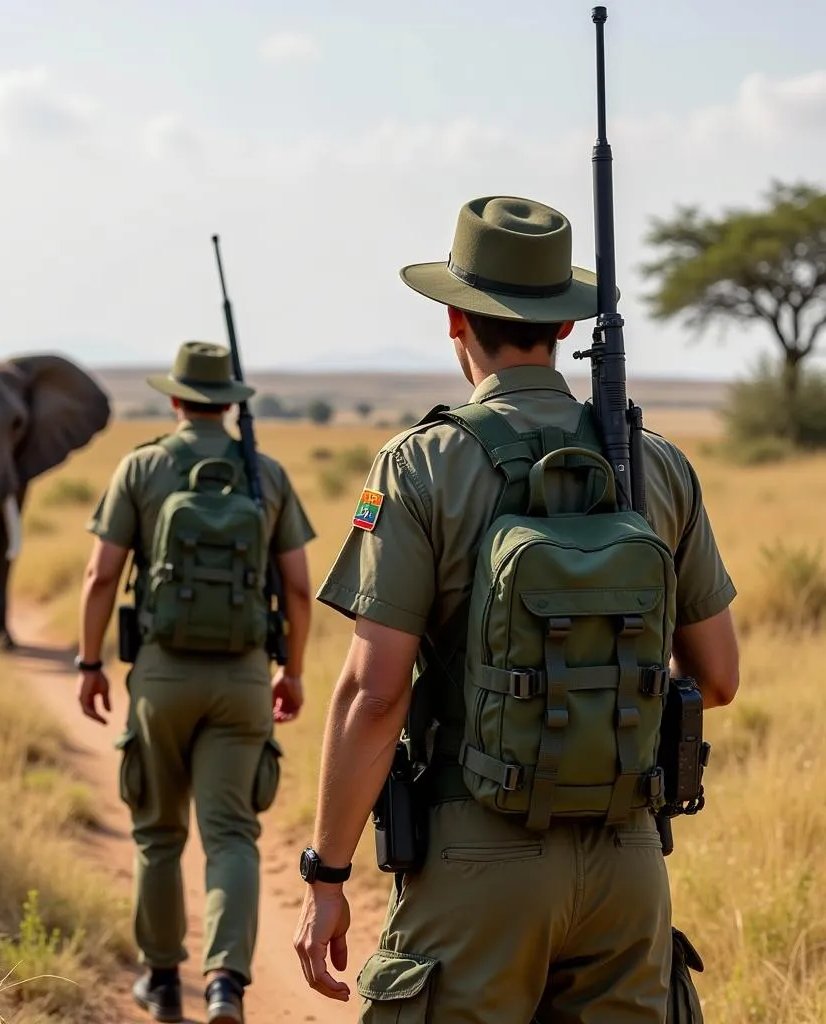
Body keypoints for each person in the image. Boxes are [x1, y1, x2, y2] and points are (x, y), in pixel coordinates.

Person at [293, 196, 740, 1023]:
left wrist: (327, 874)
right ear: (565, 328)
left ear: (456, 318)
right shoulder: (659, 467)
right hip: (628, 864)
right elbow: (717, 678)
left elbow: (374, 692)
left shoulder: (419, 465)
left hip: (476, 858)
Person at [77, 341, 315, 1024]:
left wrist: (90, 663)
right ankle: (225, 987)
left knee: (157, 834)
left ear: (176, 399)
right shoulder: (263, 473)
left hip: (160, 676)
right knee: (232, 835)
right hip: (242, 679)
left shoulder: (143, 466)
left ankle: (159, 981)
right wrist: (291, 672)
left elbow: (98, 576)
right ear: (231, 404)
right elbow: (298, 589)